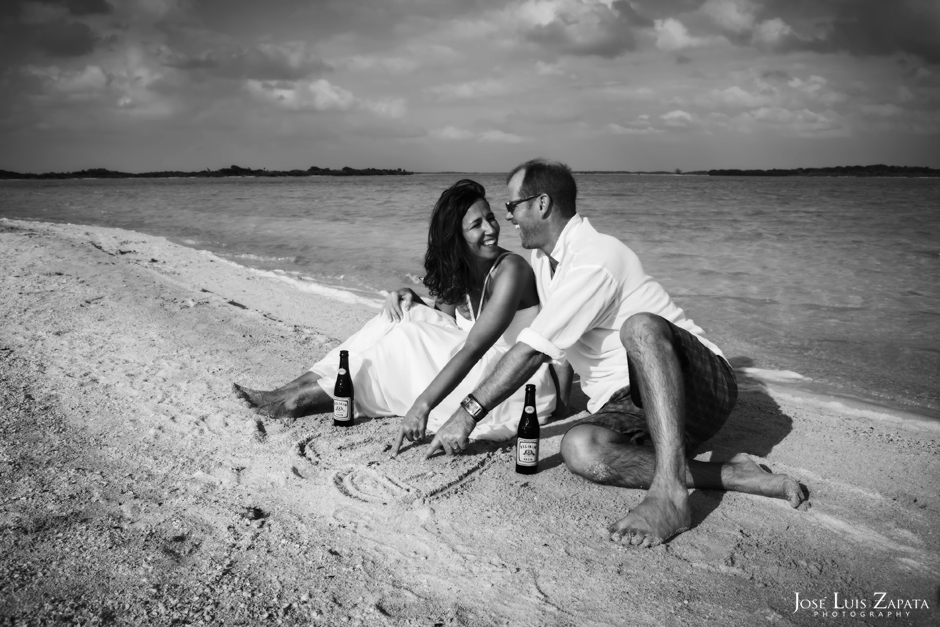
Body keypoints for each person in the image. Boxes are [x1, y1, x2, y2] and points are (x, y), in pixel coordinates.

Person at [424, 159, 805, 547]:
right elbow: (498, 303)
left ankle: (670, 495)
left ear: (541, 204)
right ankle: (729, 473)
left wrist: (466, 414)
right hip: (631, 401)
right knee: (579, 449)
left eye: (511, 207)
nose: (508, 218)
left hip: (697, 383)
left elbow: (532, 351)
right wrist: (420, 302)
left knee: (639, 327)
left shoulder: (595, 257)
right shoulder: (542, 261)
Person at [233, 179, 560, 450]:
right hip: (476, 369)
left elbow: (474, 346)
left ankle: (297, 401)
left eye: (489, 217)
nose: (491, 228)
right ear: (456, 238)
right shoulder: (460, 272)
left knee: (408, 337)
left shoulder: (511, 270)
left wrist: (422, 405)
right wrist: (408, 299)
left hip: (513, 382)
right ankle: (290, 390)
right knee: (399, 316)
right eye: (477, 224)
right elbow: (441, 323)